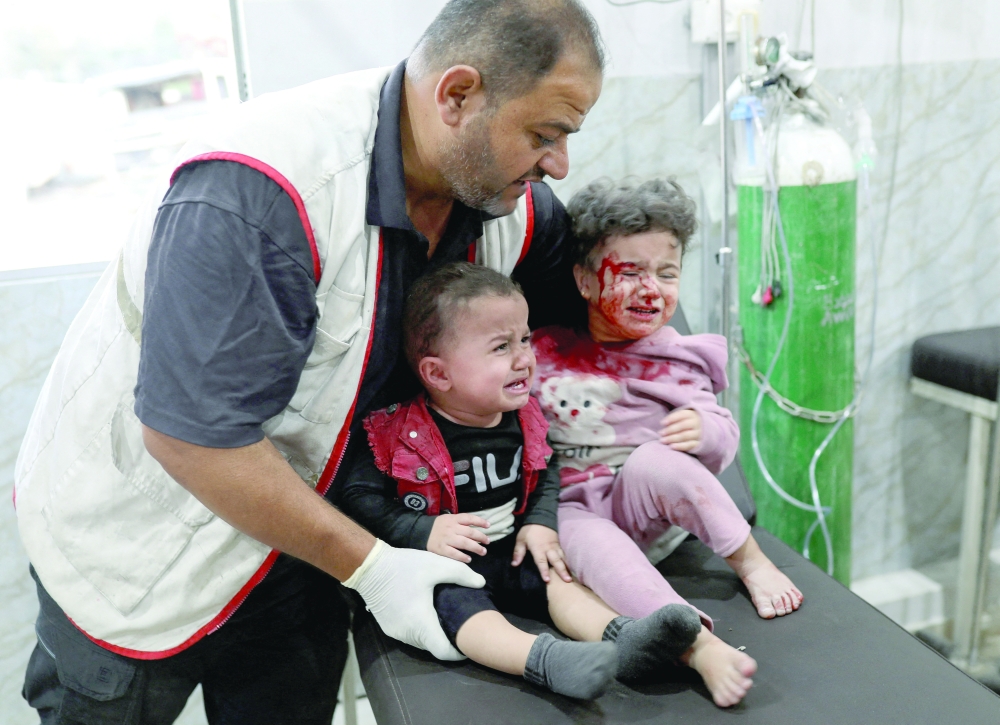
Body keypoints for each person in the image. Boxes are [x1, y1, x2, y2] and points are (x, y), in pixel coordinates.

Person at [15, 1, 604, 721]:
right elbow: (192, 437)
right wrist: (376, 567)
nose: (559, 165)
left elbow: (588, 333)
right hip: (143, 538)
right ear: (456, 96)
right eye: (545, 134)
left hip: (308, 545)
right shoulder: (261, 194)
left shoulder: (511, 205)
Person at [341, 262, 704, 699]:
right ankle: (543, 660)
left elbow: (547, 468)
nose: (524, 359)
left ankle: (624, 639)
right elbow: (357, 496)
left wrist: (540, 522)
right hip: (445, 567)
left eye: (526, 339)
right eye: (501, 347)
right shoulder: (393, 433)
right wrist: (421, 529)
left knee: (561, 582)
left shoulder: (527, 416)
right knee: (459, 608)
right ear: (439, 374)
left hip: (513, 552)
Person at [531, 177, 805, 707]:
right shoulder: (546, 353)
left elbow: (722, 435)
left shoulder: (677, 358)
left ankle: (751, 562)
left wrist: (705, 432)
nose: (651, 288)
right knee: (572, 528)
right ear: (585, 282)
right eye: (628, 272)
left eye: (666, 272)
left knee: (656, 460)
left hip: (646, 510)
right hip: (577, 515)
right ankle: (699, 646)